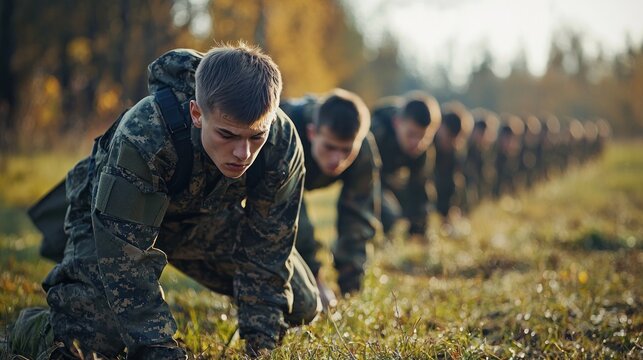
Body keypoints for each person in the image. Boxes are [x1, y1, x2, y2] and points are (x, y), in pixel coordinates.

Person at [9, 44, 321, 359]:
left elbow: (267, 253)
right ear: (197, 114)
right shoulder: (147, 132)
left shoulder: (282, 144)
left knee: (301, 303)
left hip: (201, 221)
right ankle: (31, 327)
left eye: (256, 136)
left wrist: (261, 347)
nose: (244, 153)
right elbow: (127, 258)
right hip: (114, 224)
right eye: (227, 135)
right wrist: (159, 349)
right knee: (87, 344)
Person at [280, 89, 381, 305]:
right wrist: (315, 279)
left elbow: (358, 216)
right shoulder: (286, 132)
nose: (338, 159)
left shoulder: (362, 149)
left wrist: (350, 286)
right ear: (312, 133)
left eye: (346, 150)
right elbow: (291, 211)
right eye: (330, 147)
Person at [370, 92, 441, 242]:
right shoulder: (376, 133)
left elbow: (421, 188)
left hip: (392, 179)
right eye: (411, 135)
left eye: (424, 137)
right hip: (370, 178)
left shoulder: (425, 150)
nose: (417, 143)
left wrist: (418, 230)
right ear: (397, 123)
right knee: (388, 213)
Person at [431, 102, 472, 224]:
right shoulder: (426, 145)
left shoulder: (455, 153)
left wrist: (451, 209)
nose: (450, 143)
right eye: (448, 137)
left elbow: (452, 184)